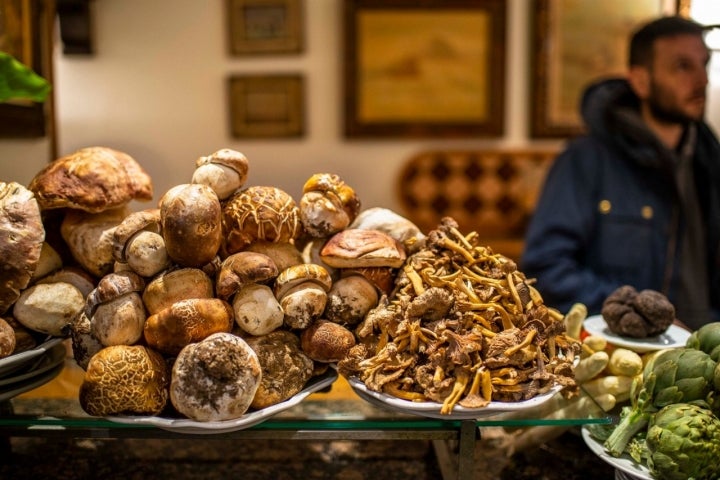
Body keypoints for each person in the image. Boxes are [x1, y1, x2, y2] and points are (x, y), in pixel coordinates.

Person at [520, 16, 720, 331]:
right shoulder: (586, 160)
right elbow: (546, 268)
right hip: (626, 356)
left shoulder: (711, 163)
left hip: (706, 354)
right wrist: (641, 319)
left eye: (703, 64)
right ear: (641, 81)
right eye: (682, 66)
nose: (701, 80)